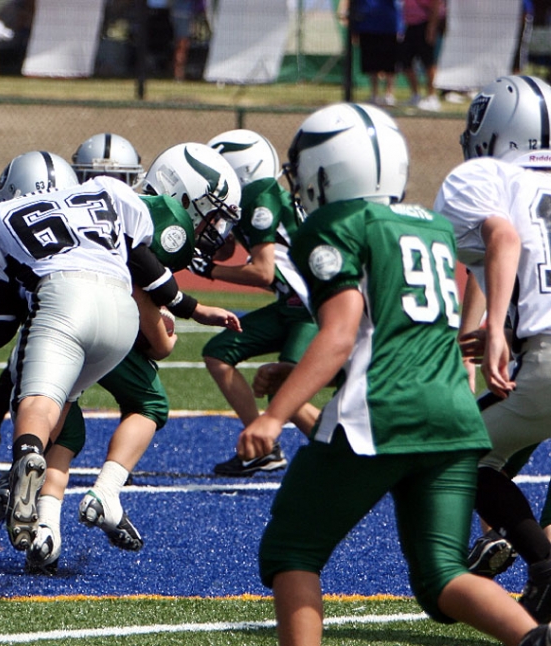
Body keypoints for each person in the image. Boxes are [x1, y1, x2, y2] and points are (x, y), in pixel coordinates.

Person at [235, 101, 550, 646]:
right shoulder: (430, 225)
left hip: (381, 416)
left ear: (327, 168)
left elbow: (340, 332)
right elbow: (402, 340)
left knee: (292, 550)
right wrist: (298, 372)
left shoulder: (336, 223)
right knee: (442, 574)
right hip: (453, 418)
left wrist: (276, 416)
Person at [0, 145, 240, 556]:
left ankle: (24, 468)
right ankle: (49, 515)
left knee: (43, 402)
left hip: (62, 304)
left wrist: (18, 293)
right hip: (119, 316)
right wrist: (194, 310)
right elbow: (147, 268)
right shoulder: (105, 193)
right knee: (84, 403)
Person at [434, 74, 551, 623]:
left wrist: (504, 330)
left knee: (458, 455)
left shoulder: (486, 175)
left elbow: (503, 238)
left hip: (543, 357)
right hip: (540, 344)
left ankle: (545, 568)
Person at [195, 129, 317, 477]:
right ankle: (264, 450)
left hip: (311, 307)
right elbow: (228, 245)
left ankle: (344, 456)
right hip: (292, 304)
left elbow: (263, 272)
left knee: (286, 389)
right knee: (219, 353)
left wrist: (211, 270)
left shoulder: (260, 194)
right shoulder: (253, 196)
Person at [339, 0, 399, 106]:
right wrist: (353, 27)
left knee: (389, 62)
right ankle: (374, 94)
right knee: (371, 62)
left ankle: (389, 94)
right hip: (367, 26)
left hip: (388, 26)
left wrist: (400, 27)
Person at [399, 0, 444, 111]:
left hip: (424, 24)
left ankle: (432, 96)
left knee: (428, 61)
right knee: (405, 61)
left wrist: (431, 28)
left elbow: (436, 5)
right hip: (409, 25)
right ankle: (416, 95)